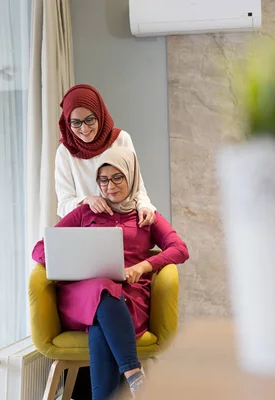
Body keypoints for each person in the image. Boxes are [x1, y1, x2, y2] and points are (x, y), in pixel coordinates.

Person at [33, 147, 189, 400]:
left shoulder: (145, 216)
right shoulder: (85, 212)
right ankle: (133, 372)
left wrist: (142, 267)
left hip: (127, 301)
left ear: (131, 176)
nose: (110, 186)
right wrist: (67, 262)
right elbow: (40, 248)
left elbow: (180, 249)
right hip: (80, 297)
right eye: (103, 180)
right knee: (100, 287)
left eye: (118, 178)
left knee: (100, 321)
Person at [55, 84, 156, 228]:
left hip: (124, 224)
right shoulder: (64, 152)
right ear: (67, 122)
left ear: (99, 114)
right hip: (87, 231)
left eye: (89, 120)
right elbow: (63, 205)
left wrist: (145, 206)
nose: (84, 129)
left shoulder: (121, 139)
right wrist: (87, 200)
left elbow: (137, 188)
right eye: (76, 123)